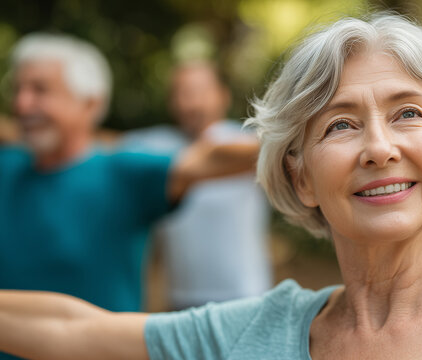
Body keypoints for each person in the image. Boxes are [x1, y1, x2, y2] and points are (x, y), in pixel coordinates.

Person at [0, 14, 422, 360]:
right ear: (299, 174)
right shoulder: (257, 334)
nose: (379, 147)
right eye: (340, 124)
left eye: (408, 113)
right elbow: (70, 330)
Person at [0, 33, 258, 316]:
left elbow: (206, 158)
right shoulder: (8, 165)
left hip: (241, 296)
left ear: (90, 104)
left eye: (41, 90)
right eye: (18, 89)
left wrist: (292, 143)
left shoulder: (125, 171)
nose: (21, 105)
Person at [120, 61, 272, 309]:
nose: (191, 103)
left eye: (200, 91)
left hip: (245, 298)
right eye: (182, 93)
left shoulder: (245, 142)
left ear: (223, 95)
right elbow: (105, 149)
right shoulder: (159, 145)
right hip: (182, 302)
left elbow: (276, 149)